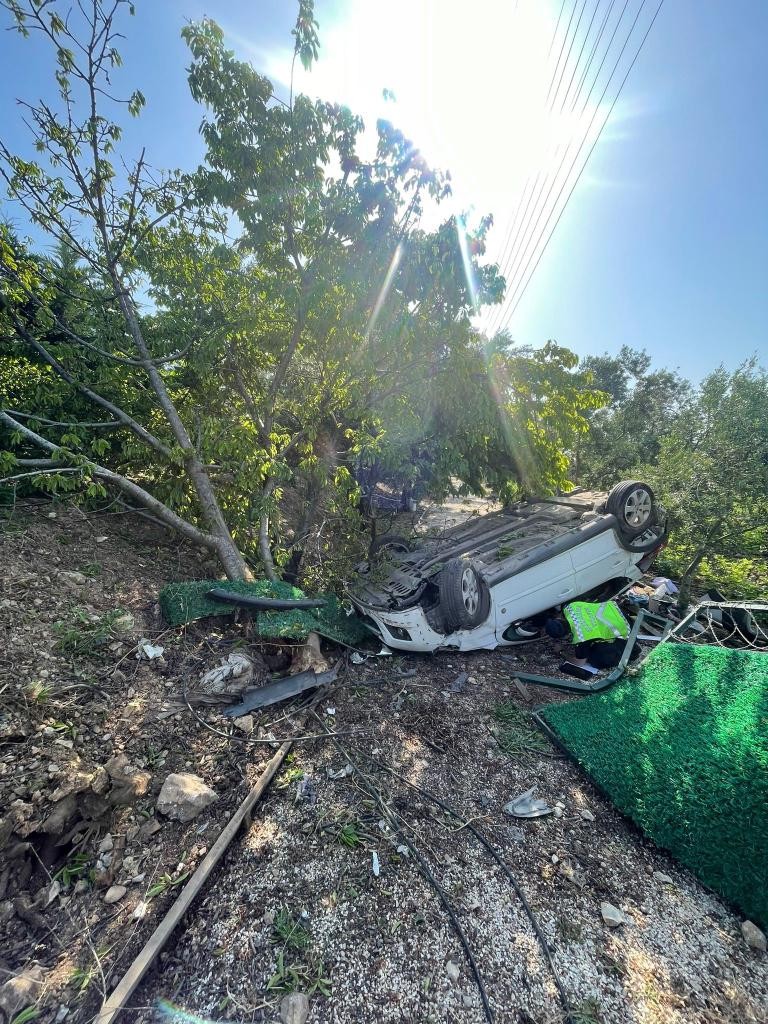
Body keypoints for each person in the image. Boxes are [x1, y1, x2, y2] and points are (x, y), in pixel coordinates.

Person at [544, 599, 639, 670]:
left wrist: (561, 652)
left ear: (565, 636)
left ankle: (632, 651)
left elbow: (579, 663)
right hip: (615, 610)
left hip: (625, 628)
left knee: (596, 660)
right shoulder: (569, 607)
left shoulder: (581, 637)